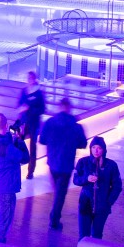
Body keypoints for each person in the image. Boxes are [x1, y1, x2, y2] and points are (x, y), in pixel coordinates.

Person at [39, 97, 86, 230]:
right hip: (66, 163)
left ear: (59, 107)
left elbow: (42, 140)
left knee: (57, 192)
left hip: (52, 162)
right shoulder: (75, 125)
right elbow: (83, 143)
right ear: (69, 108)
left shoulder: (49, 122)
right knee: (60, 193)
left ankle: (54, 216)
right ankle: (54, 219)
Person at [0, 114, 28, 243]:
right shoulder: (7, 148)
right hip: (7, 187)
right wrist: (20, 140)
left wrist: (12, 137)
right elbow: (25, 158)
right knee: (4, 221)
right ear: (6, 125)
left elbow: (4, 142)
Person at [74, 136, 122, 239]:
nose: (96, 150)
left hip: (102, 208)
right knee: (83, 236)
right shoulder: (83, 162)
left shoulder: (111, 165)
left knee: (97, 236)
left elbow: (117, 186)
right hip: (85, 205)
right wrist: (86, 178)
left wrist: (108, 202)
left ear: (103, 149)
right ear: (90, 149)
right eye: (93, 147)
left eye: (99, 148)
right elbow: (76, 179)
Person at [17, 71, 46, 180]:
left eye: (31, 78)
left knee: (33, 147)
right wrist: (21, 109)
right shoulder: (24, 91)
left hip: (33, 123)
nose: (29, 80)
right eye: (28, 78)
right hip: (23, 122)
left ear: (34, 79)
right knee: (18, 143)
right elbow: (18, 104)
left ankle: (30, 171)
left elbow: (42, 109)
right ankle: (19, 164)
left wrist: (30, 109)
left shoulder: (39, 93)